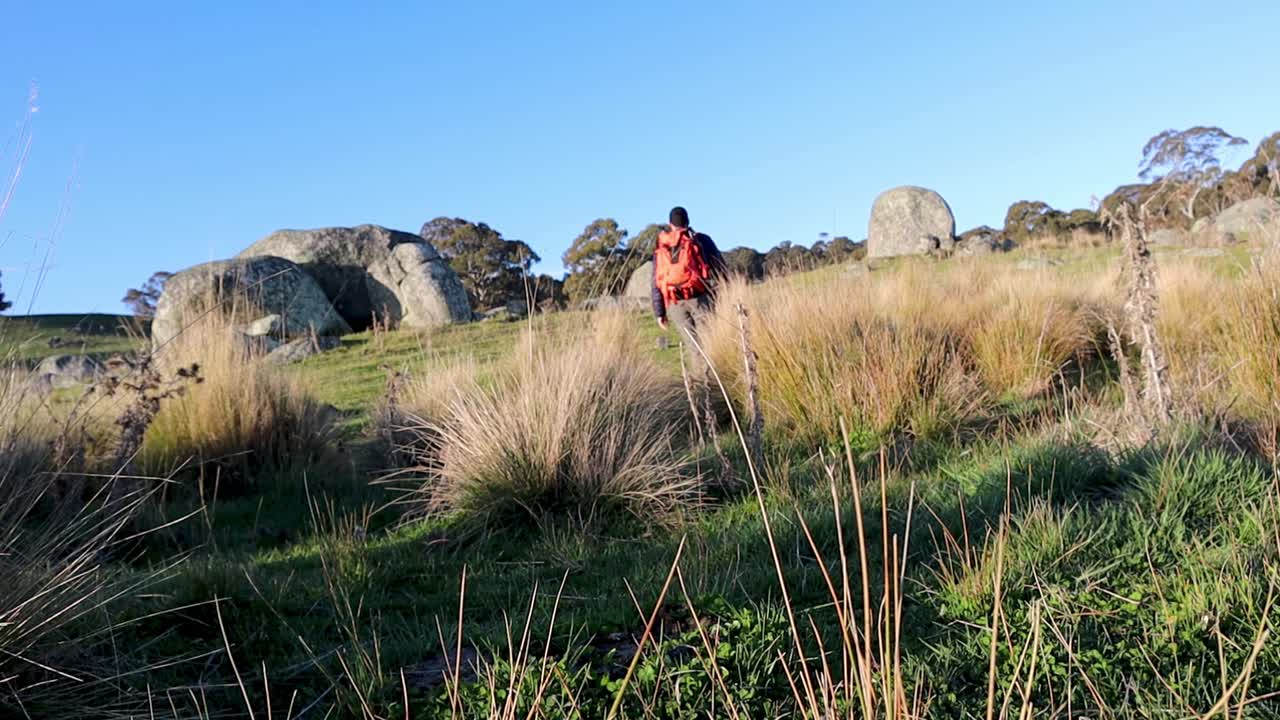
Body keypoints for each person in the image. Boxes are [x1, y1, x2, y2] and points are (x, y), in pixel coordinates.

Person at [651, 206, 725, 349]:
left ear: (670, 224)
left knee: (693, 346)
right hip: (701, 297)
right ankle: (710, 371)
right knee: (709, 342)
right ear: (688, 221)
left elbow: (656, 280)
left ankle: (700, 371)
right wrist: (725, 291)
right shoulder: (701, 240)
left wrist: (660, 312)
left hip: (675, 301)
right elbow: (720, 267)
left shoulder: (662, 245)